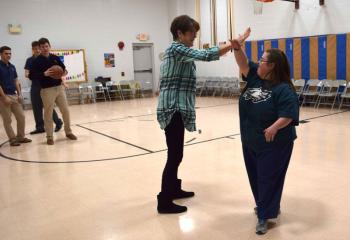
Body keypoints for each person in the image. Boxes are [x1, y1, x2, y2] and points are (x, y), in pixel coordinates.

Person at [156, 15, 237, 214]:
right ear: (180, 33)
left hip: (177, 108)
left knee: (177, 154)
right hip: (172, 108)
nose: (194, 36)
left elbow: (200, 55)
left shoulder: (181, 52)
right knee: (174, 155)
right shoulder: (176, 49)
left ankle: (173, 189)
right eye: (192, 32)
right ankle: (164, 201)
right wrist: (232, 45)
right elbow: (206, 55)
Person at [232, 28, 299, 234]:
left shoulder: (283, 88)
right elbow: (243, 63)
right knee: (255, 176)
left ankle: (264, 216)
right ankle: (265, 205)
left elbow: (288, 114)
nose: (258, 62)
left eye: (262, 60)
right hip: (251, 139)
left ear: (271, 66)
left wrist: (274, 126)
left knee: (267, 177)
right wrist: (237, 46)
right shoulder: (255, 77)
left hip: (274, 142)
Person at [29, 38, 77, 145]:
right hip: (47, 90)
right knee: (48, 113)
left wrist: (63, 72)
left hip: (59, 88)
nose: (45, 48)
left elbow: (64, 69)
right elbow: (31, 76)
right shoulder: (36, 61)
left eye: (46, 46)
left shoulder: (55, 58)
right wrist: (43, 74)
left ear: (49, 46)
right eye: (42, 47)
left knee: (66, 110)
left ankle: (68, 132)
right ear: (39, 48)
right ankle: (49, 137)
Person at [25, 41, 63, 135]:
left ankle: (58, 122)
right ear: (32, 50)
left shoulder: (47, 58)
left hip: (46, 85)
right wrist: (36, 74)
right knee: (36, 106)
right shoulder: (30, 60)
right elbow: (27, 73)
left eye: (38, 48)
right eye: (35, 49)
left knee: (48, 106)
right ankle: (40, 127)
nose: (37, 50)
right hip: (35, 85)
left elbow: (55, 72)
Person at [0, 46, 32, 146]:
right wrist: (4, 97)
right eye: (6, 53)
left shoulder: (12, 66)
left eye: (10, 53)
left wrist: (19, 94)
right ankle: (12, 139)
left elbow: (16, 80)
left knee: (21, 117)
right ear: (1, 54)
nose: (9, 55)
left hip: (14, 95)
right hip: (3, 96)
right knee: (7, 119)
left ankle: (21, 137)